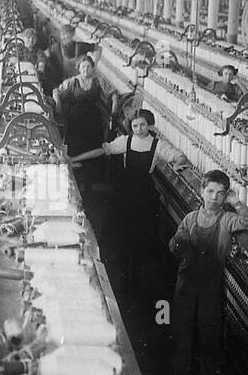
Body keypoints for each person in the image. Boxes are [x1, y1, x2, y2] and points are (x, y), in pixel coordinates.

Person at [169, 170, 248, 375]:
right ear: (201, 191)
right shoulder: (190, 219)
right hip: (186, 284)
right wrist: (179, 244)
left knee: (211, 339)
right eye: (210, 191)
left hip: (210, 286)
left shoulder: (228, 220)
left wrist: (236, 202)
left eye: (221, 194)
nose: (214, 198)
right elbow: (174, 244)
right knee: (182, 334)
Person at [69, 109, 183, 288]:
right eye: (135, 126)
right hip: (125, 193)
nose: (138, 129)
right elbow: (101, 150)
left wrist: (178, 163)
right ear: (131, 127)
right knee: (121, 233)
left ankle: (136, 276)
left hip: (144, 195)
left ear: (150, 125)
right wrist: (74, 158)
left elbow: (178, 157)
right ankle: (120, 273)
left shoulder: (158, 145)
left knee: (141, 236)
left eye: (142, 125)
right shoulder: (126, 141)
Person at [53, 54, 114, 186]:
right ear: (78, 68)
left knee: (93, 146)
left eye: (88, 67)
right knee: (76, 147)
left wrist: (114, 109)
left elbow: (113, 93)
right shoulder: (72, 82)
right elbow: (56, 92)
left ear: (92, 68)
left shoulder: (98, 81)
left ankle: (91, 180)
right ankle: (74, 178)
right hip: (76, 119)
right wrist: (58, 104)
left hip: (93, 119)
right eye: (83, 67)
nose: (85, 69)